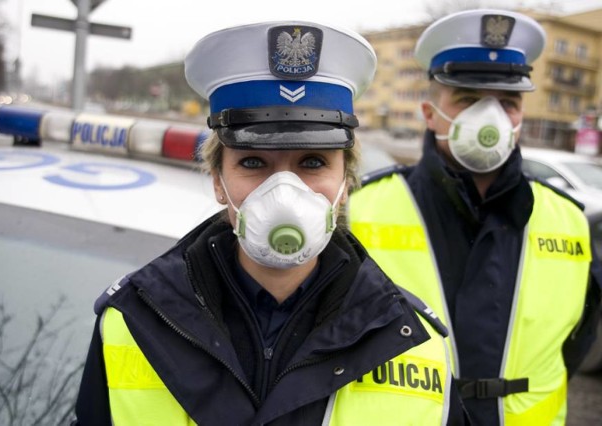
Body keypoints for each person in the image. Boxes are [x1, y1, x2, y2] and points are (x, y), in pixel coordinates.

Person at [72, 20, 470, 425]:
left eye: (313, 162)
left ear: (346, 183)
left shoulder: (419, 346)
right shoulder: (133, 323)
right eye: (253, 162)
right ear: (218, 182)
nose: (285, 191)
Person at [348, 9, 602, 426]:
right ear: (430, 112)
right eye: (468, 99)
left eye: (507, 102)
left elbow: (577, 340)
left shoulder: (567, 219)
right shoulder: (362, 210)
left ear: (520, 117)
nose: (492, 119)